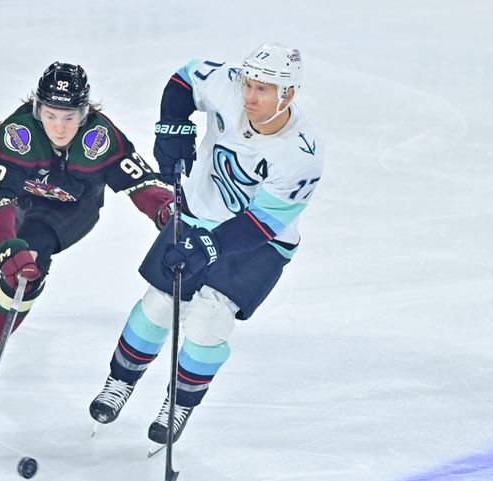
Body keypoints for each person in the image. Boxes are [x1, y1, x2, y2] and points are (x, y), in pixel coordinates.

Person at [88, 43, 325, 445]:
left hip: (260, 242)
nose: (250, 96)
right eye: (250, 84)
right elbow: (184, 79)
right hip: (198, 214)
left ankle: (179, 402)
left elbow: (261, 224)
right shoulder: (228, 85)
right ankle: (119, 382)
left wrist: (207, 248)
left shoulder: (301, 155)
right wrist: (171, 126)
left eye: (265, 89)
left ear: (289, 95)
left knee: (209, 318)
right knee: (158, 304)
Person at [0, 62, 173, 379]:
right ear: (37, 109)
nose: (59, 127)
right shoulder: (16, 135)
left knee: (30, 266)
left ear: (85, 113)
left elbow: (140, 182)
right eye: (50, 115)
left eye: (69, 117)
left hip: (70, 210)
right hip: (17, 203)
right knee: (17, 259)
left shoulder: (101, 139)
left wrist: (164, 209)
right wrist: (7, 249)